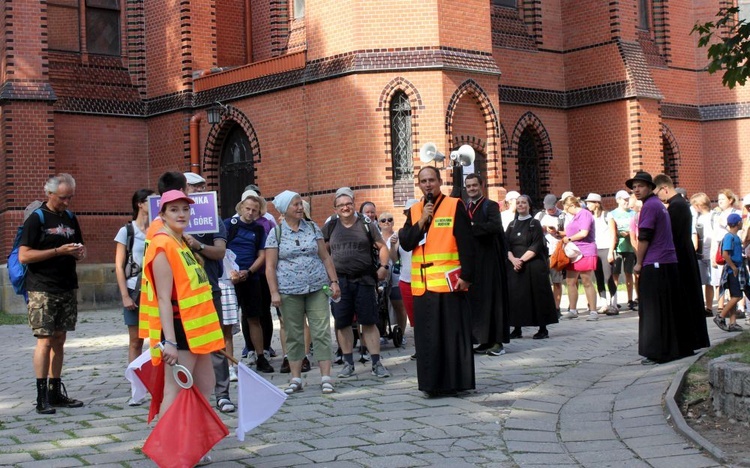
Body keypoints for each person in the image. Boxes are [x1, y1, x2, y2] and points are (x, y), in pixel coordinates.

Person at [141, 190, 225, 466]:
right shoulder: (162, 245)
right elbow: (164, 297)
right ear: (162, 214)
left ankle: (194, 445)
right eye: (174, 209)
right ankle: (169, 452)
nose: (181, 214)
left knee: (204, 386)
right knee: (175, 392)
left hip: (199, 330)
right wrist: (170, 342)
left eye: (185, 209)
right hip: (178, 329)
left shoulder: (181, 242)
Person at [399, 166, 476, 396]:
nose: (428, 184)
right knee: (427, 338)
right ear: (419, 184)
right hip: (423, 286)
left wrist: (467, 276)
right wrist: (422, 220)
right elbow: (406, 242)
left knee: (450, 337)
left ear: (440, 181)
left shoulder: (454, 205)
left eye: (432, 180)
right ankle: (431, 385)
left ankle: (454, 383)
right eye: (423, 181)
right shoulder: (414, 211)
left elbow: (467, 244)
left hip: (448, 284)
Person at [20, 173, 86, 414]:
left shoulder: (70, 217)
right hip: (42, 288)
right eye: (62, 197)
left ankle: (55, 392)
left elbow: (80, 247)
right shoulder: (36, 219)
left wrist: (79, 252)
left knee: (60, 339)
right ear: (49, 194)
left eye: (70, 197)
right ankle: (41, 398)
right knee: (45, 340)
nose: (67, 202)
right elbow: (24, 255)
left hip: (67, 285)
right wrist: (58, 251)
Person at [265, 191, 340, 394]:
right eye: (295, 205)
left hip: (316, 288)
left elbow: (325, 257)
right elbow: (270, 266)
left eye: (301, 204)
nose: (300, 208)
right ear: (284, 210)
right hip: (289, 291)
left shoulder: (313, 228)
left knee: (321, 331)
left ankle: (325, 377)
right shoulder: (276, 233)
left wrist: (334, 281)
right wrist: (274, 293)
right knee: (294, 334)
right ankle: (295, 378)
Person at [627, 172, 694, 365]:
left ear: (650, 187)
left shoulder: (650, 206)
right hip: (668, 262)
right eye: (634, 187)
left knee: (653, 311)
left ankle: (657, 351)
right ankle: (674, 348)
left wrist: (638, 263)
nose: (636, 190)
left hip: (656, 263)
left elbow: (645, 236)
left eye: (640, 186)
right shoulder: (659, 205)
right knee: (668, 309)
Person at [323, 188, 391, 378]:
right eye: (341, 205)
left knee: (369, 322)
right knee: (342, 323)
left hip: (365, 280)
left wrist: (384, 267)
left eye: (348, 204)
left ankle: (376, 363)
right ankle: (347, 363)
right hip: (340, 282)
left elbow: (382, 246)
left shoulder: (365, 224)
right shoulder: (331, 226)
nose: (345, 208)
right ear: (335, 209)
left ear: (353, 204)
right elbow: (323, 252)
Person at [184, 174, 235, 414]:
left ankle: (222, 394)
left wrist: (198, 245)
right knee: (182, 346)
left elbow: (220, 252)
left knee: (214, 343)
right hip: (178, 293)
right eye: (194, 187)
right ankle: (187, 394)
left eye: (201, 187)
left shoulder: (212, 218)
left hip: (208, 289)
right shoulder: (167, 221)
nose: (199, 191)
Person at [653, 174, 710, 351]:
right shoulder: (680, 205)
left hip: (681, 256)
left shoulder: (676, 207)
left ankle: (691, 339)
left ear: (664, 188)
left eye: (657, 193)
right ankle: (694, 338)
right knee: (691, 298)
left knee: (687, 299)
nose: (658, 197)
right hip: (685, 254)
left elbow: (673, 236)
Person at [225, 193, 273, 373]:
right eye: (248, 208)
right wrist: (232, 271)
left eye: (254, 210)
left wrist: (250, 271)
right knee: (227, 322)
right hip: (230, 279)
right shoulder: (229, 225)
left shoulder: (259, 229)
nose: (251, 212)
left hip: (251, 277)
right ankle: (228, 363)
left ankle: (260, 356)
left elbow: (262, 255)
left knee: (254, 317)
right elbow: (222, 249)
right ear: (240, 208)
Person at [114, 188, 154, 406]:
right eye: (150, 201)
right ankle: (137, 389)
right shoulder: (127, 231)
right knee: (136, 340)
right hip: (134, 289)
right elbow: (119, 266)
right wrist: (125, 296)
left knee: (159, 340)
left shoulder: (159, 229)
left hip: (156, 290)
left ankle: (158, 384)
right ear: (140, 204)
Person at [464, 173, 509, 355]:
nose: (472, 189)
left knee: (494, 300)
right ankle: (483, 339)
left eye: (475, 185)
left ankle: (497, 342)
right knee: (478, 301)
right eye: (468, 186)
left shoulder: (490, 206)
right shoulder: (466, 206)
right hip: (474, 261)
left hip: (490, 261)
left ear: (481, 186)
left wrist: (472, 228)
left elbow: (495, 227)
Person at [506, 195, 558, 339]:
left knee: (537, 296)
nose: (520, 205)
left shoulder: (534, 223)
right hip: (514, 265)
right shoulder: (511, 225)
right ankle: (517, 328)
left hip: (532, 265)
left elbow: (537, 245)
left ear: (529, 206)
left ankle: (542, 328)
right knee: (516, 297)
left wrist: (520, 260)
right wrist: (512, 260)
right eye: (518, 203)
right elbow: (506, 245)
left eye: (523, 203)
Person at [561, 195, 599, 321]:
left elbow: (584, 232)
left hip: (585, 250)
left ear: (572, 205)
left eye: (566, 208)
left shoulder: (584, 214)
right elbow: (571, 232)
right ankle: (572, 310)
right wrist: (559, 234)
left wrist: (569, 238)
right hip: (573, 251)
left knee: (586, 280)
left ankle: (593, 311)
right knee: (570, 281)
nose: (566, 210)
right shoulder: (573, 217)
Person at [378, 211, 408, 342]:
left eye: (389, 219)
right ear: (378, 223)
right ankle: (382, 332)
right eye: (383, 220)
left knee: (399, 305)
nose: (387, 222)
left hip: (396, 275)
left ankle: (401, 333)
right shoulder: (376, 238)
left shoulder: (398, 237)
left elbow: (397, 259)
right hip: (380, 276)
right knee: (381, 305)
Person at [713, 213, 746, 332]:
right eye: (741, 222)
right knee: (737, 296)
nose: (742, 223)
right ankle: (720, 317)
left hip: (737, 268)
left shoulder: (735, 237)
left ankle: (733, 322)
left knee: (733, 295)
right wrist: (733, 267)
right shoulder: (729, 237)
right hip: (733, 269)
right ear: (738, 223)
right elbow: (725, 254)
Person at [586, 193, 617, 313]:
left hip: (606, 249)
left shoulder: (607, 215)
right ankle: (603, 303)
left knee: (608, 277)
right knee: (598, 277)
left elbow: (613, 235)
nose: (587, 205)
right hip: (594, 249)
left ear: (597, 204)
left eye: (590, 202)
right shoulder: (589, 217)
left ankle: (613, 304)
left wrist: (610, 252)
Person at [536, 193, 566, 315]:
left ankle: (556, 308)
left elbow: (569, 232)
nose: (550, 210)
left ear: (556, 204)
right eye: (548, 208)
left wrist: (557, 232)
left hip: (557, 252)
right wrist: (542, 229)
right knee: (543, 282)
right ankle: (545, 307)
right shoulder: (540, 215)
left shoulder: (562, 215)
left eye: (552, 208)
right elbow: (533, 232)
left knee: (557, 281)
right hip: (543, 252)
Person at [609, 190, 637, 310]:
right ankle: (614, 300)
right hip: (618, 247)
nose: (626, 202)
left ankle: (630, 299)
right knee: (615, 274)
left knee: (629, 273)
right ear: (618, 200)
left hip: (630, 248)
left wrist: (630, 234)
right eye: (624, 200)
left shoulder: (633, 213)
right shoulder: (612, 214)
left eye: (627, 199)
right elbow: (612, 232)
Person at [691, 192, 716, 316]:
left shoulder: (713, 216)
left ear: (699, 205)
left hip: (712, 254)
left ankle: (709, 307)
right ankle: (701, 305)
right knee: (701, 281)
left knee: (711, 282)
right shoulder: (696, 218)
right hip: (700, 254)